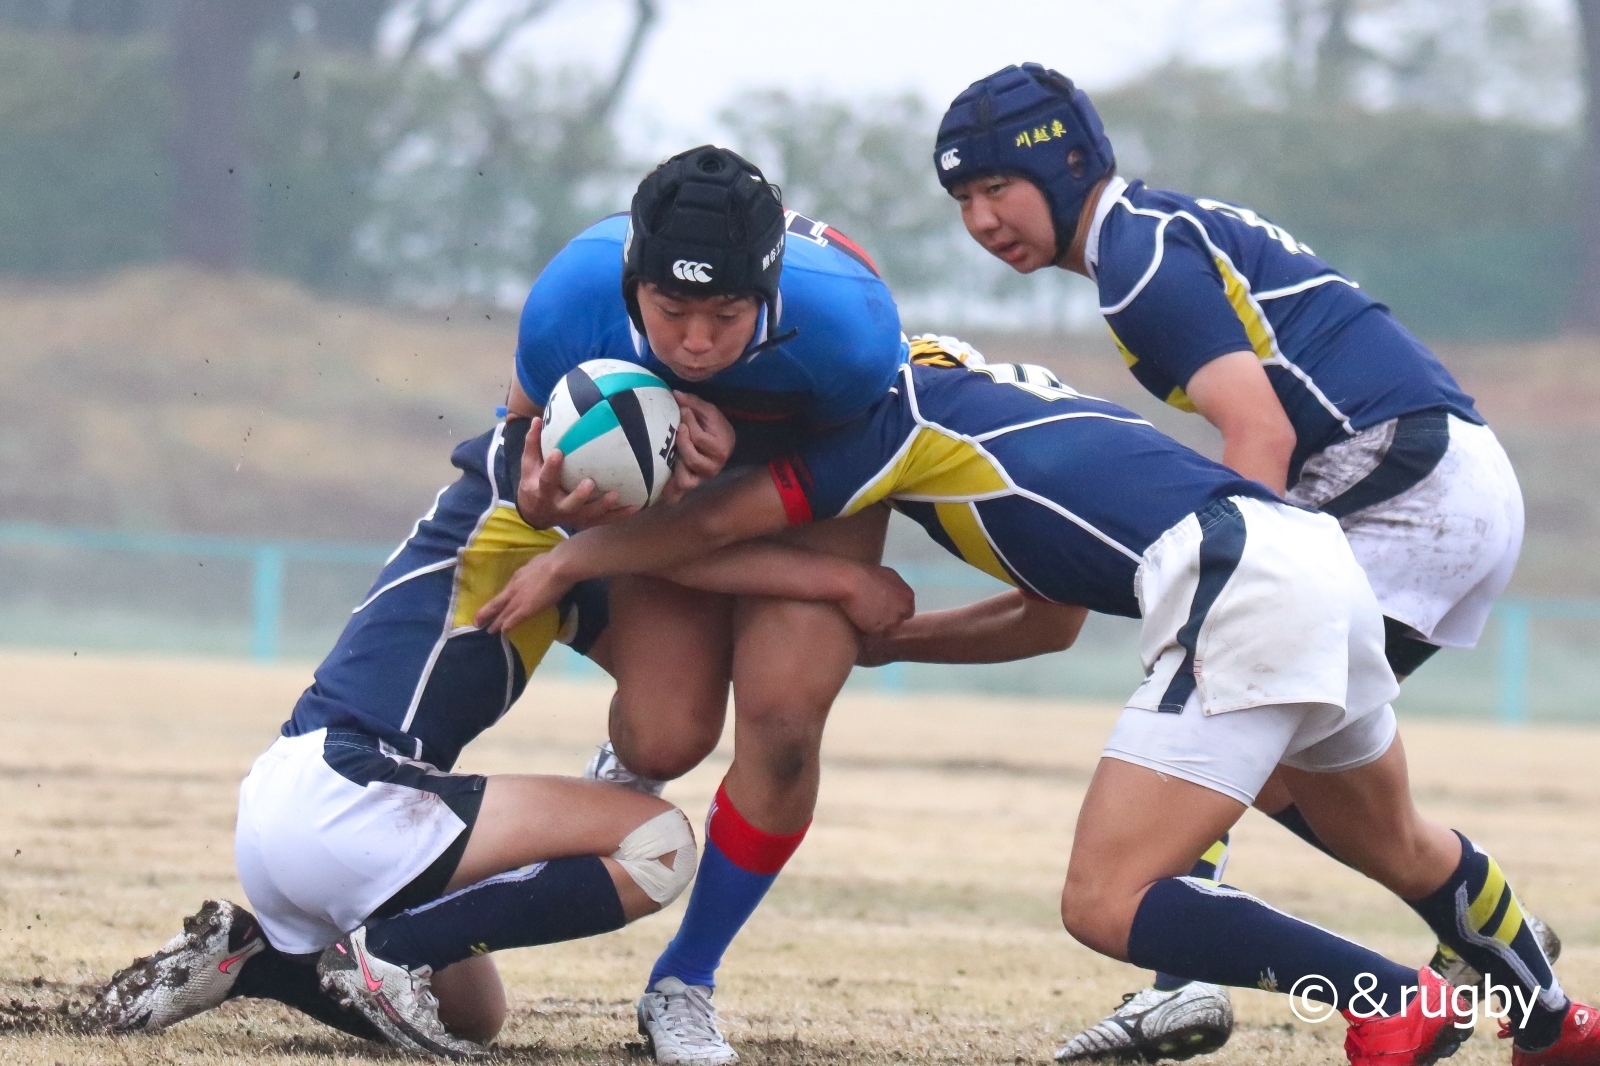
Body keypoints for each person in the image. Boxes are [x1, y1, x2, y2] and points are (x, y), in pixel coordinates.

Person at [474, 354, 1598, 1066]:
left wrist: (582, 558)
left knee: (1106, 900)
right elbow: (1045, 620)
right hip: (1313, 567)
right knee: (1401, 843)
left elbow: (724, 524)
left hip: (1236, 577)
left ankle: (1390, 998)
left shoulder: (890, 408)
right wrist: (898, 638)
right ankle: (1554, 1023)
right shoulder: (997, 401)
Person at [930, 62, 1556, 1062]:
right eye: (961, 197)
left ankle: (1182, 988)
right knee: (1315, 790)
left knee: (1221, 720)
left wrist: (1235, 586)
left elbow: (1257, 436)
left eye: (997, 186)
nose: (980, 218)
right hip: (1439, 480)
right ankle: (1533, 995)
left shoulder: (1134, 255)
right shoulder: (1146, 235)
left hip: (1403, 485)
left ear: (1070, 164)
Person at [88, 415, 912, 1059]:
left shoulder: (540, 556)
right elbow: (687, 556)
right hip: (351, 793)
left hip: (296, 802)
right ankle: (391, 953)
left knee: (475, 1016)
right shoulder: (524, 499)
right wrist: (839, 577)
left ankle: (253, 956)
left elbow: (666, 683)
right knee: (658, 848)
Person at [506, 144, 909, 1064]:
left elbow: (848, 474)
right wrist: (544, 503)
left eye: (725, 315)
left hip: (813, 477)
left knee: (783, 715)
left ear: (766, 292)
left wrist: (741, 468)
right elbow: (517, 448)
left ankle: (685, 981)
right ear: (629, 281)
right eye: (670, 309)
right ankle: (623, 751)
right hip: (672, 502)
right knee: (665, 739)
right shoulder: (572, 296)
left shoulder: (847, 326)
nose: (695, 341)